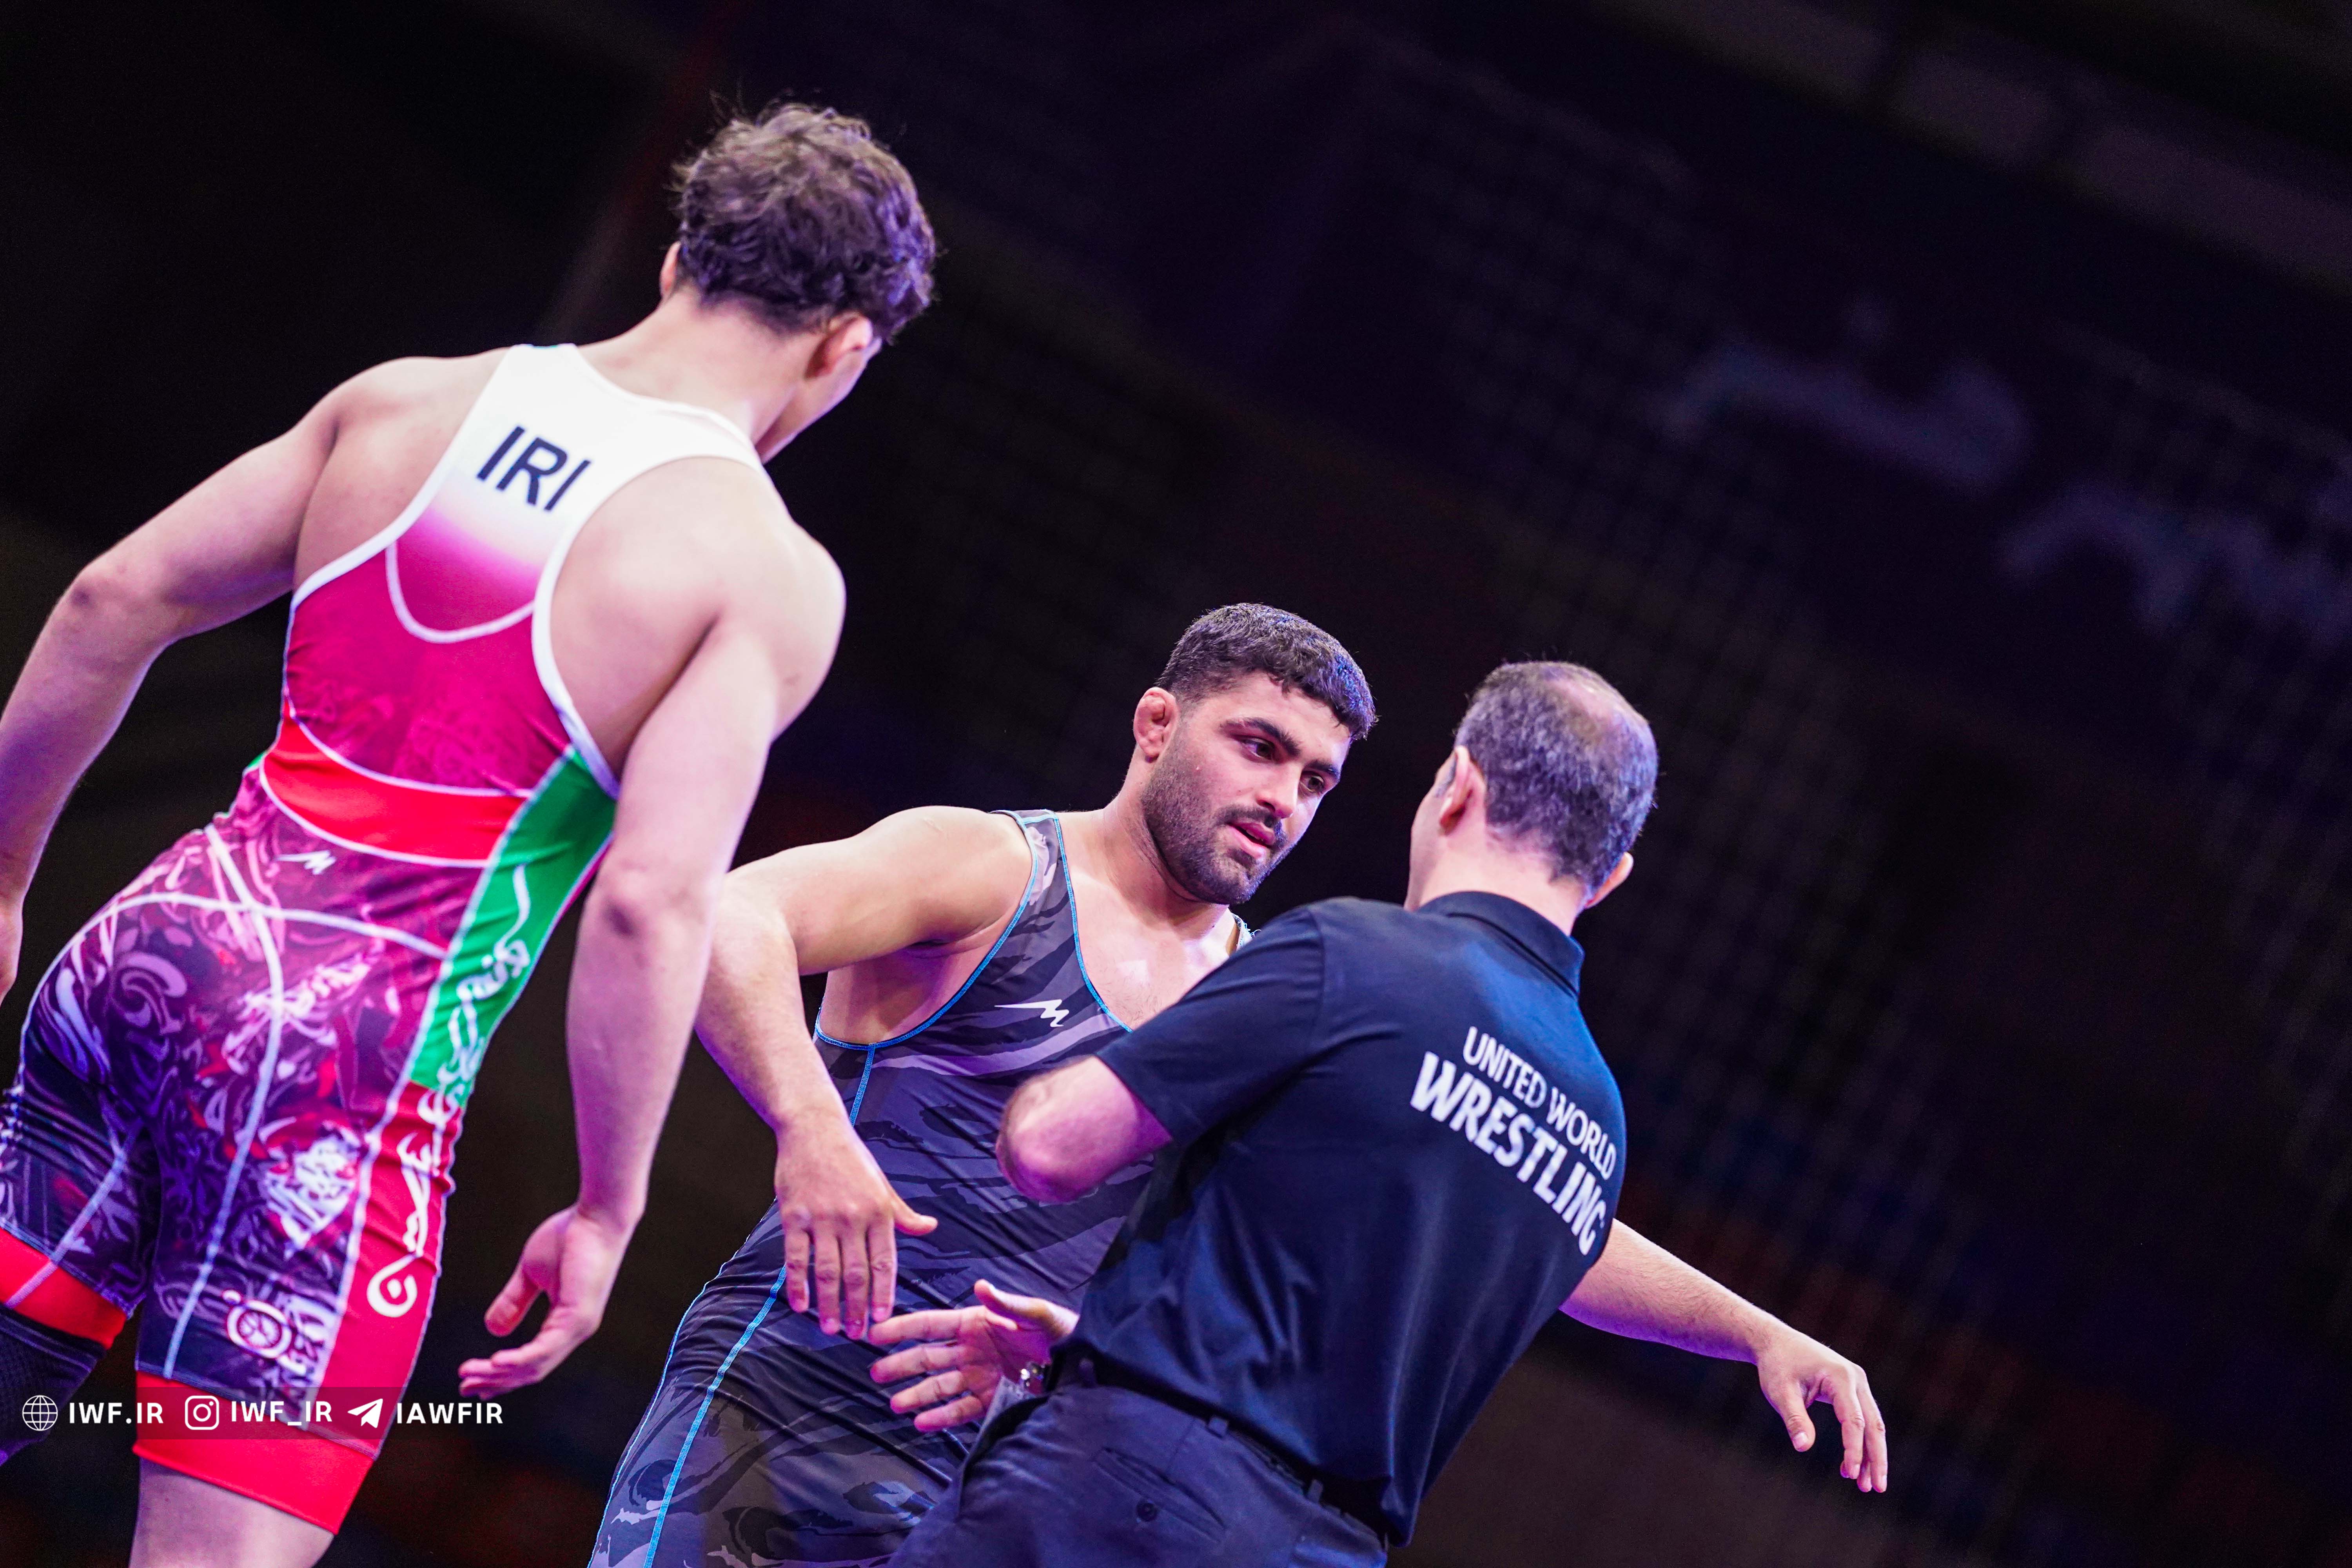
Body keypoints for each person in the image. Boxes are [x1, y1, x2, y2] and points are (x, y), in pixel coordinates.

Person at [0, 103, 932, 1567]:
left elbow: (113, 601)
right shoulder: (762, 570)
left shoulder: (408, 402)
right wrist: (609, 1205)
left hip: (148, 955)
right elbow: (648, 902)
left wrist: (4, 879)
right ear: (846, 349)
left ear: (678, 259)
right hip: (345, 1076)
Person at [877, 662, 1888, 1566]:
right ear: (1612, 874)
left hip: (1128, 1485)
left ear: (1458, 786)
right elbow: (1534, 1253)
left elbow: (1049, 1148)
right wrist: (1758, 1331)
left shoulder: (1354, 959)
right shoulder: (1596, 1120)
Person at [588, 605, 1376, 1568]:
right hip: (783, 1415)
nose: (1282, 799)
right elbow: (729, 914)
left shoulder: (1264, 1004)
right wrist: (812, 1126)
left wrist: (1078, 1353)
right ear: (1157, 723)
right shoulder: (996, 870)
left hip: (1006, 1500)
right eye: (1259, 747)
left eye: (1314, 780)